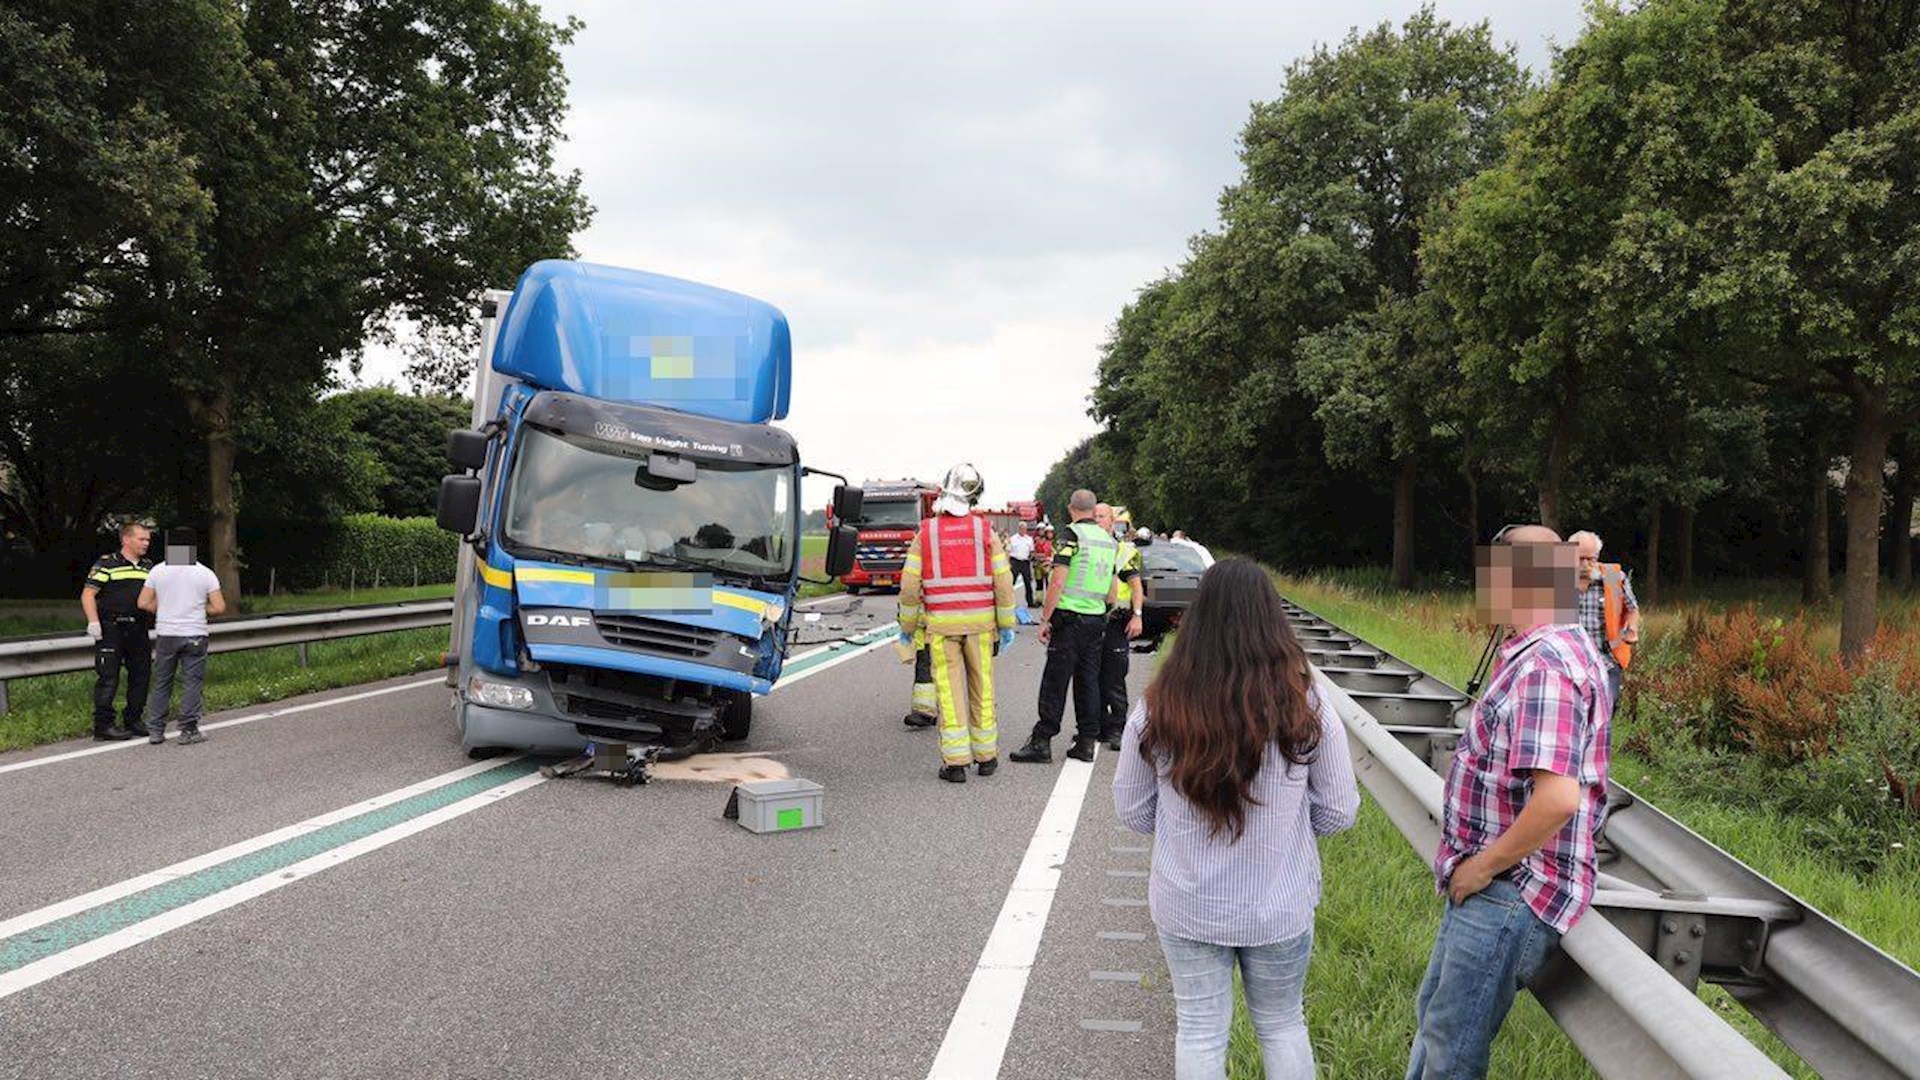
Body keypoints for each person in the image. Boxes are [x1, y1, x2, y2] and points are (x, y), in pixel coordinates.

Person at [1114, 557, 1359, 1080]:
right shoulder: (1306, 704)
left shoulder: (1159, 705)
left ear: (1197, 619)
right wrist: (1287, 829)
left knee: (1200, 1028)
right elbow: (1339, 811)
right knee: (1282, 1024)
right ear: (1273, 620)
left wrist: (1184, 832)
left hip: (1187, 901)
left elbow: (1132, 809)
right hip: (1279, 901)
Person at [1406, 525, 1613, 1080]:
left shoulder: (1547, 665)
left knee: (1452, 1047)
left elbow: (1559, 799)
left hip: (1511, 888)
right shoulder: (1537, 652)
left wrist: (1481, 867)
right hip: (1491, 883)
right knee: (1437, 1022)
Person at [895, 464, 1018, 782]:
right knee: (982, 688)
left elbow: (909, 587)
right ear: (974, 497)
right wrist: (1006, 626)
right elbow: (1003, 583)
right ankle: (987, 757)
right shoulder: (985, 532)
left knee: (948, 693)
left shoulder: (926, 533)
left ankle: (956, 764)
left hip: (941, 627)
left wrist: (908, 629)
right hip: (980, 627)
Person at [1010, 489, 1119, 764]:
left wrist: (1045, 619)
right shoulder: (1108, 540)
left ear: (1072, 509)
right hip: (1096, 619)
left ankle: (1041, 741)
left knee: (1055, 682)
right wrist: (1103, 611)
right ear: (1094, 512)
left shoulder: (1071, 535)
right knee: (1088, 682)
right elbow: (1113, 588)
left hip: (1069, 619)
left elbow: (1058, 581)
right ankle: (1085, 742)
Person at [138, 527, 226, 745]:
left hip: (167, 633)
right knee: (192, 682)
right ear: (192, 547)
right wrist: (198, 607)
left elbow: (142, 602)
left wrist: (164, 607)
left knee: (162, 681)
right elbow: (219, 607)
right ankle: (188, 729)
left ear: (170, 546)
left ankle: (156, 730)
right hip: (195, 632)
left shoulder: (157, 571)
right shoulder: (205, 573)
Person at [81, 521, 154, 741]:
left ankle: (133, 719)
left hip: (139, 629)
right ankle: (103, 726)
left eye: (148, 539)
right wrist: (93, 622)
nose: (146, 543)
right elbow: (88, 594)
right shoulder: (108, 563)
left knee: (141, 675)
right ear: (126, 540)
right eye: (142, 539)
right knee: (108, 677)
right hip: (111, 628)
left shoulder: (148, 566)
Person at [1568, 530, 1640, 710]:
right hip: (1567, 661)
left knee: (1605, 705)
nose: (1584, 564)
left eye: (1590, 559)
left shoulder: (1613, 578)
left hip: (1606, 659)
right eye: (1579, 559)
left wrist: (1632, 629)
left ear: (1597, 557)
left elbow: (1632, 610)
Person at [1093, 503, 1143, 751]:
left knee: (1113, 678)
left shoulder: (1122, 551)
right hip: (1091, 621)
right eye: (1094, 516)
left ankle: (1119, 729)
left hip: (1116, 621)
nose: (1097, 520)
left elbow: (1136, 587)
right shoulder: (1089, 548)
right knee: (1092, 677)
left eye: (1101, 516)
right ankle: (1099, 727)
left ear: (1112, 522)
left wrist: (1137, 616)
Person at [1005, 523, 1037, 608]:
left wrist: (1032, 559)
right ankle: (1008, 602)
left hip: (1025, 562)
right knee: (1012, 583)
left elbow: (1032, 551)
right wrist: (1008, 563)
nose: (1023, 530)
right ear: (1019, 529)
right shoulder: (1013, 538)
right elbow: (1008, 551)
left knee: (1028, 583)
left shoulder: (1029, 539)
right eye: (1021, 528)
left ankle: (1030, 602)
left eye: (1024, 528)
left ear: (1026, 529)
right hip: (1015, 561)